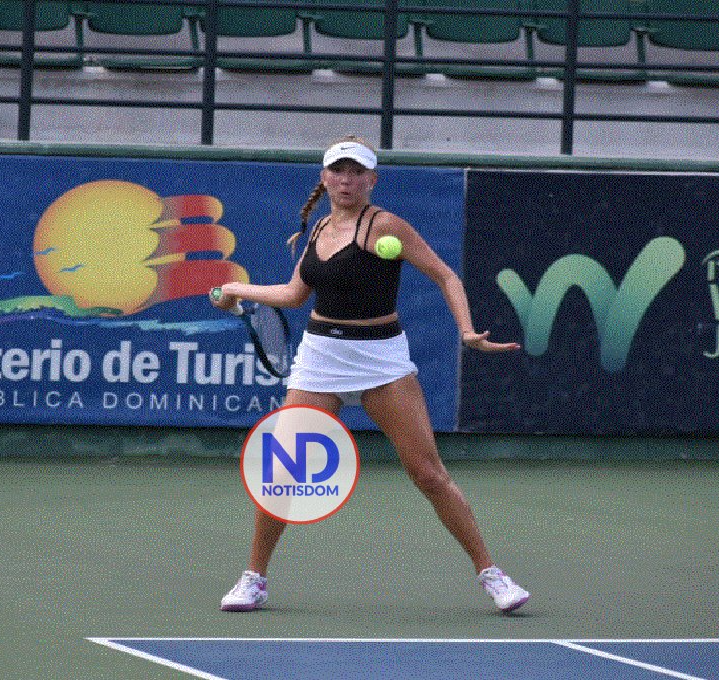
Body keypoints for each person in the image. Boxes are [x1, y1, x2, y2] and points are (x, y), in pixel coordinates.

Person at [210, 136, 529, 614]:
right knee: (282, 473)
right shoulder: (317, 230)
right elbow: (297, 294)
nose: (347, 180)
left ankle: (492, 575)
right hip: (321, 358)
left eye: (357, 172)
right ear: (324, 177)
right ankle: (254, 579)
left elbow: (445, 275)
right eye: (338, 171)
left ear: (372, 180)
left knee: (428, 474)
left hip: (381, 359)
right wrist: (238, 287)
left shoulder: (387, 226)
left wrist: (465, 330)